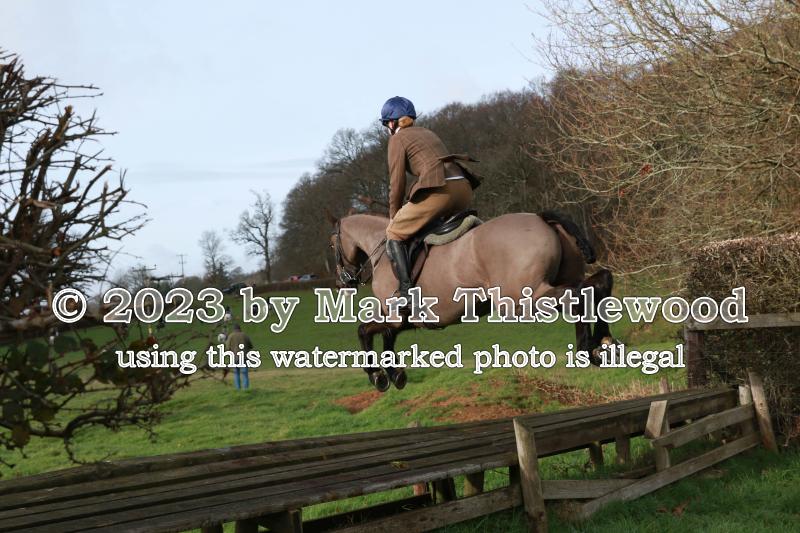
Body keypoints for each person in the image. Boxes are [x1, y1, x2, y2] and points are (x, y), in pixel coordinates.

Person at [380, 96, 482, 302]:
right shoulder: (427, 132)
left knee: (394, 232)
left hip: (440, 191)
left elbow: (397, 183)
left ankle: (406, 292)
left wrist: (394, 216)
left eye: (385, 124)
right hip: (463, 186)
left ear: (391, 123)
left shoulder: (397, 139)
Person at [225, 323, 253, 390]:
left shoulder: (231, 336)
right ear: (240, 329)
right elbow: (250, 346)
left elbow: (227, 347)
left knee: (236, 373)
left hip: (235, 357)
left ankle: (238, 388)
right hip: (243, 357)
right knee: (245, 373)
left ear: (234, 329)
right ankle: (246, 388)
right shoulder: (245, 335)